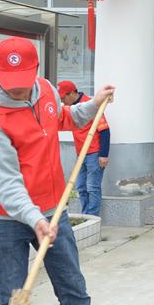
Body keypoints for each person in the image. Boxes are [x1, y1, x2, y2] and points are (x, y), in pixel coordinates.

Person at [0, 37, 119, 305]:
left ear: (36, 70)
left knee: (72, 285)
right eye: (12, 85)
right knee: (14, 294)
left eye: (24, 83)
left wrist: (94, 104)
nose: (18, 91)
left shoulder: (47, 91)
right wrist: (35, 218)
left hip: (53, 209)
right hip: (6, 217)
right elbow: (6, 184)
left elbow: (64, 118)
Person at [57, 80, 111, 216]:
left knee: (92, 187)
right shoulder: (71, 110)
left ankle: (92, 218)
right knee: (81, 186)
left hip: (94, 153)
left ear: (72, 93)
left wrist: (103, 154)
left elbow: (104, 130)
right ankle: (86, 215)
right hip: (80, 153)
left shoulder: (90, 105)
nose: (62, 101)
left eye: (64, 97)